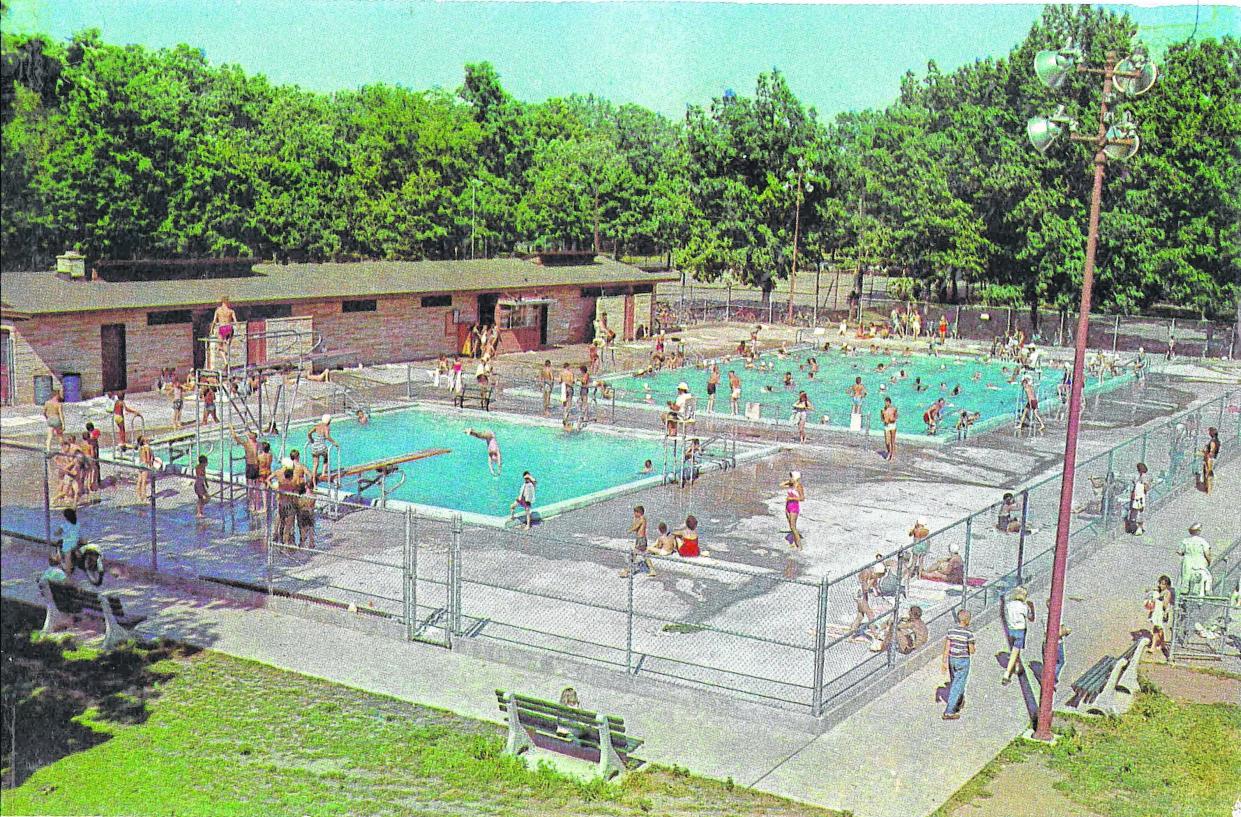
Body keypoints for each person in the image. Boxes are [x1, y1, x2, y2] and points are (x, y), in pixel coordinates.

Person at [942, 609, 976, 720]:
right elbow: (971, 650)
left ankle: (959, 701)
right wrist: (973, 646)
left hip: (952, 659)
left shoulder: (951, 631)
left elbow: (947, 647)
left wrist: (944, 661)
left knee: (955, 681)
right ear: (967, 620)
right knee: (958, 683)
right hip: (963, 660)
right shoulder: (968, 633)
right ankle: (949, 711)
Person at [1002, 586, 1034, 685]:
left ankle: (1017, 667)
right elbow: (1031, 618)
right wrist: (1031, 608)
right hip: (1020, 630)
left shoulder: (1008, 605)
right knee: (1016, 650)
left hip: (1011, 629)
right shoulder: (1023, 606)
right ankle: (1006, 674)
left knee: (1015, 651)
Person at [231, 427, 263, 513]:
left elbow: (235, 438)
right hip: (257, 466)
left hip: (250, 466)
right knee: (256, 488)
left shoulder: (247, 444)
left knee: (251, 487)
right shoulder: (258, 444)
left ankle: (252, 504)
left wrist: (231, 429)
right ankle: (256, 505)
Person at [1177, 523, 1213, 596]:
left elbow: (1180, 552)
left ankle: (1184, 591)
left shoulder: (1185, 541)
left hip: (1187, 562)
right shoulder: (1202, 541)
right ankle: (1202, 592)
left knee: (1186, 578)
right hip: (1199, 562)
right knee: (1201, 578)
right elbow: (1207, 554)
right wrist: (1209, 562)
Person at [620, 505, 652, 577]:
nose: (634, 514)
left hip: (641, 539)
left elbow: (635, 527)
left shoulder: (642, 519)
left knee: (633, 555)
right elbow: (635, 525)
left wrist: (629, 530)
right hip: (640, 539)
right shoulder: (640, 518)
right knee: (644, 555)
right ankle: (652, 569)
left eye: (635, 513)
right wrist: (634, 519)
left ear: (639, 512)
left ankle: (627, 571)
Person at [1147, 575, 1174, 662]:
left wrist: (1159, 599)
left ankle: (1153, 647)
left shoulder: (1167, 593)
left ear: (1167, 585)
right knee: (1159, 629)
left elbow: (1165, 605)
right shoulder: (1159, 591)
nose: (1161, 586)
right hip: (1156, 613)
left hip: (1161, 613)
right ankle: (1162, 644)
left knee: (1156, 629)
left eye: (1163, 584)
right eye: (1160, 583)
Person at [308, 415, 338, 484]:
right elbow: (327, 436)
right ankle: (323, 473)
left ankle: (313, 478)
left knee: (315, 463)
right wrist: (334, 442)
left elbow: (309, 433)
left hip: (314, 447)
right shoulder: (326, 427)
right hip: (321, 447)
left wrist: (311, 439)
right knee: (326, 458)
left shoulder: (317, 426)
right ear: (329, 421)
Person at [210, 297, 238, 371]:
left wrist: (211, 330)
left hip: (222, 328)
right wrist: (240, 332)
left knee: (219, 346)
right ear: (227, 302)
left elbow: (214, 321)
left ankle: (225, 360)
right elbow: (235, 322)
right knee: (227, 344)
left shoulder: (218, 310)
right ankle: (227, 343)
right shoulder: (231, 311)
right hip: (229, 328)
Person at [782, 471, 805, 549]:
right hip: (788, 506)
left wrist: (792, 498)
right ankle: (794, 543)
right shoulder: (791, 485)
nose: (790, 478)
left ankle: (799, 546)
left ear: (795, 478)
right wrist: (790, 481)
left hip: (794, 507)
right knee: (790, 526)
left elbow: (802, 498)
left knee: (793, 527)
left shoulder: (799, 486)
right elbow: (781, 485)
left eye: (792, 477)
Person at [56, 508, 83, 575]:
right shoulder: (77, 524)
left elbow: (57, 533)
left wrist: (56, 533)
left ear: (66, 517)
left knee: (67, 556)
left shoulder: (64, 525)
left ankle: (68, 573)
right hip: (76, 542)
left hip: (68, 544)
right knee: (76, 548)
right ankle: (79, 557)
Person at [1127, 462, 1151, 536]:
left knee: (1138, 512)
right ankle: (1135, 527)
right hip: (1137, 496)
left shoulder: (1144, 477)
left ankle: (1137, 528)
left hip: (1140, 496)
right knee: (1135, 512)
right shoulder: (1137, 477)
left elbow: (1146, 487)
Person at [296, 483, 316, 548]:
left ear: (306, 486)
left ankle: (302, 542)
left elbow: (300, 505)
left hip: (303, 512)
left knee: (303, 528)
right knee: (311, 527)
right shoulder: (313, 496)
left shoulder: (303, 496)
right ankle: (311, 542)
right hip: (310, 513)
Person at [1200, 427, 1220, 494]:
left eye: (1209, 432)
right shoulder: (1217, 440)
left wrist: (1205, 453)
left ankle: (1208, 489)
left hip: (1210, 459)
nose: (1208, 433)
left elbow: (1211, 452)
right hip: (1213, 458)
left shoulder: (1213, 442)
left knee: (1208, 473)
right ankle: (1209, 488)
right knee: (1210, 473)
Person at [135, 435, 154, 502]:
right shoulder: (147, 447)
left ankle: (138, 496)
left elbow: (141, 458)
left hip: (140, 464)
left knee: (139, 481)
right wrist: (150, 465)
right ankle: (144, 496)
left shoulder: (141, 448)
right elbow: (148, 458)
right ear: (144, 441)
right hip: (145, 465)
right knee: (144, 481)